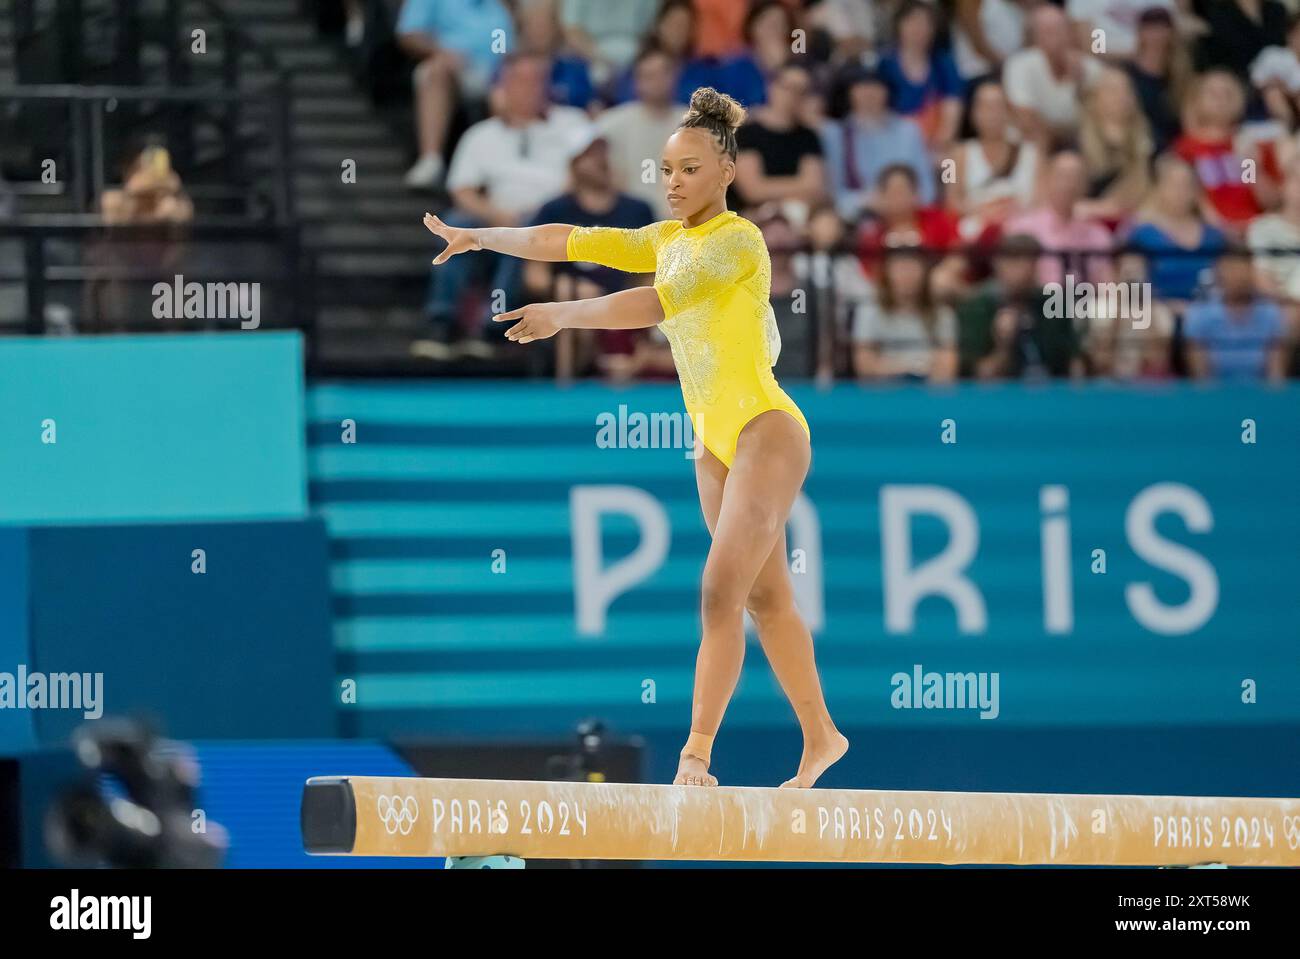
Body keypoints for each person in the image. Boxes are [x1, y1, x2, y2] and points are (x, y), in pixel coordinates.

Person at [422, 87, 846, 788]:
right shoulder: (664, 240)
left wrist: (561, 313)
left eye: (689, 169)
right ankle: (822, 735)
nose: (674, 183)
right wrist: (481, 236)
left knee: (718, 592)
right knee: (765, 600)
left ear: (728, 172)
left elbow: (653, 301)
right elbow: (564, 238)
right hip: (713, 443)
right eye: (666, 171)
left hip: (766, 427)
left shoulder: (739, 241)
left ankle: (695, 755)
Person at [418, 54, 590, 358]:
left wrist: (540, 212)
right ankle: (442, 321)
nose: (529, 89)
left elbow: (588, 173)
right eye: (520, 81)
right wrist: (496, 216)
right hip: (497, 218)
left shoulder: (572, 124)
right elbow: (462, 190)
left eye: (536, 81)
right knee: (456, 224)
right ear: (502, 88)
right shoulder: (481, 135)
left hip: (555, 220)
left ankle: (494, 326)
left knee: (523, 229)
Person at [518, 131, 657, 380]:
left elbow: (653, 272)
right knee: (569, 295)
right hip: (569, 298)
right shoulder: (554, 210)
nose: (600, 161)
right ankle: (569, 380)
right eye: (590, 155)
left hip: (623, 297)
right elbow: (534, 274)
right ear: (575, 163)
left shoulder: (637, 210)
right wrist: (567, 290)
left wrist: (626, 300)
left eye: (604, 154)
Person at [396, 0, 515, 190]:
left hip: (501, 71)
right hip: (456, 68)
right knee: (435, 72)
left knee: (522, 80)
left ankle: (508, 168)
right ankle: (431, 159)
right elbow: (409, 34)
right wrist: (441, 52)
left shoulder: (501, 4)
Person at [957, 233, 1086, 379]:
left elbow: (1074, 361)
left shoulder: (1053, 304)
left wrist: (1078, 394)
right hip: (1003, 396)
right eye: (1015, 261)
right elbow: (982, 377)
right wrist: (1003, 346)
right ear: (998, 265)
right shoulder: (978, 307)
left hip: (1053, 391)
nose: (1025, 268)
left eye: (1031, 261)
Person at [819, 65, 937, 222]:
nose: (869, 93)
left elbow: (928, 190)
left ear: (887, 91)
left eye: (876, 86)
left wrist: (898, 202)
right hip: (859, 218)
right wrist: (866, 201)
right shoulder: (835, 134)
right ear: (849, 92)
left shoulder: (909, 130)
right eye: (861, 86)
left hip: (908, 215)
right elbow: (833, 193)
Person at [1124, 153, 1226, 310]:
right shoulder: (1142, 233)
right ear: (1159, 188)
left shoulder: (1212, 235)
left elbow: (1226, 281)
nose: (1180, 192)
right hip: (1158, 314)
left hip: (1207, 313)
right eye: (1174, 185)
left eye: (1187, 185)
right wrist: (1163, 306)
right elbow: (1132, 284)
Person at [596, 47, 688, 219]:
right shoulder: (611, 123)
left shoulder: (695, 124)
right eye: (649, 76)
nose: (657, 82)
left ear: (674, 77)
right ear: (637, 82)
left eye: (663, 74)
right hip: (629, 221)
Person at [1003, 148, 1115, 287]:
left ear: (1085, 185)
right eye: (1062, 176)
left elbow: (1107, 285)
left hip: (1086, 304)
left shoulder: (1098, 234)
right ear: (1047, 179)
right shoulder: (1022, 228)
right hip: (1040, 304)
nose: (1069, 185)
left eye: (1076, 177)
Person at [947, 77, 1040, 241]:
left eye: (998, 107)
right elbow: (950, 202)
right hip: (976, 233)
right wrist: (983, 211)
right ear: (973, 113)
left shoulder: (1033, 153)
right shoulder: (954, 157)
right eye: (986, 107)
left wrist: (1013, 210)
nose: (992, 114)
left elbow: (1042, 200)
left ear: (1008, 112)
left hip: (1022, 232)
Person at [731, 63, 827, 218]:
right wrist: (800, 185)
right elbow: (752, 190)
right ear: (772, 87)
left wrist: (771, 189)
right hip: (750, 213)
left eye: (801, 91)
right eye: (788, 87)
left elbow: (815, 185)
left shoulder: (809, 136)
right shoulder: (747, 132)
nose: (793, 96)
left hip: (797, 211)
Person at [1002, 4, 1103, 148]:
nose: (1055, 38)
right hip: (1035, 143)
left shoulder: (1090, 68)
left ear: (1070, 33)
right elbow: (1026, 118)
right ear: (1034, 37)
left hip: (1081, 145)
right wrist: (1062, 136)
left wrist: (1080, 85)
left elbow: (1102, 118)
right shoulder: (1019, 65)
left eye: (1060, 30)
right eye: (1047, 31)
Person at [851, 247, 958, 383]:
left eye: (913, 269)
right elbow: (864, 366)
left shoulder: (943, 314)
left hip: (928, 392)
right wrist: (904, 369)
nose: (907, 276)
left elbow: (948, 365)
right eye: (900, 269)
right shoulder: (868, 312)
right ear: (887, 274)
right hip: (883, 392)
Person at [1185, 246, 1289, 381]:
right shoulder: (1200, 313)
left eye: (1243, 268)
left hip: (1260, 397)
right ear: (1218, 272)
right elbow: (1201, 379)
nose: (1239, 276)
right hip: (1214, 397)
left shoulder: (1270, 313)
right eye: (1231, 269)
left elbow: (1276, 378)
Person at [877, 0, 964, 151]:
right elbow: (880, 114)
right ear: (899, 26)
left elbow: (952, 113)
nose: (919, 29)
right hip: (896, 145)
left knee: (950, 164)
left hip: (937, 146)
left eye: (925, 23)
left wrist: (940, 143)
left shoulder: (944, 64)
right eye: (913, 21)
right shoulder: (884, 65)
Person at [1075, 67, 1154, 224]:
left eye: (1126, 90)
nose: (1121, 96)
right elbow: (1072, 204)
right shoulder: (1077, 145)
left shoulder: (1151, 142)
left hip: (1138, 225)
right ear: (1094, 99)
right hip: (1091, 228)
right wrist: (1105, 208)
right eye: (1112, 90)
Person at [1123, 6, 1192, 153]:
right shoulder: (1126, 73)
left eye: (1161, 29)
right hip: (1137, 142)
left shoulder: (1182, 75)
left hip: (1174, 145)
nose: (1156, 35)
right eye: (1150, 29)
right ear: (1140, 32)